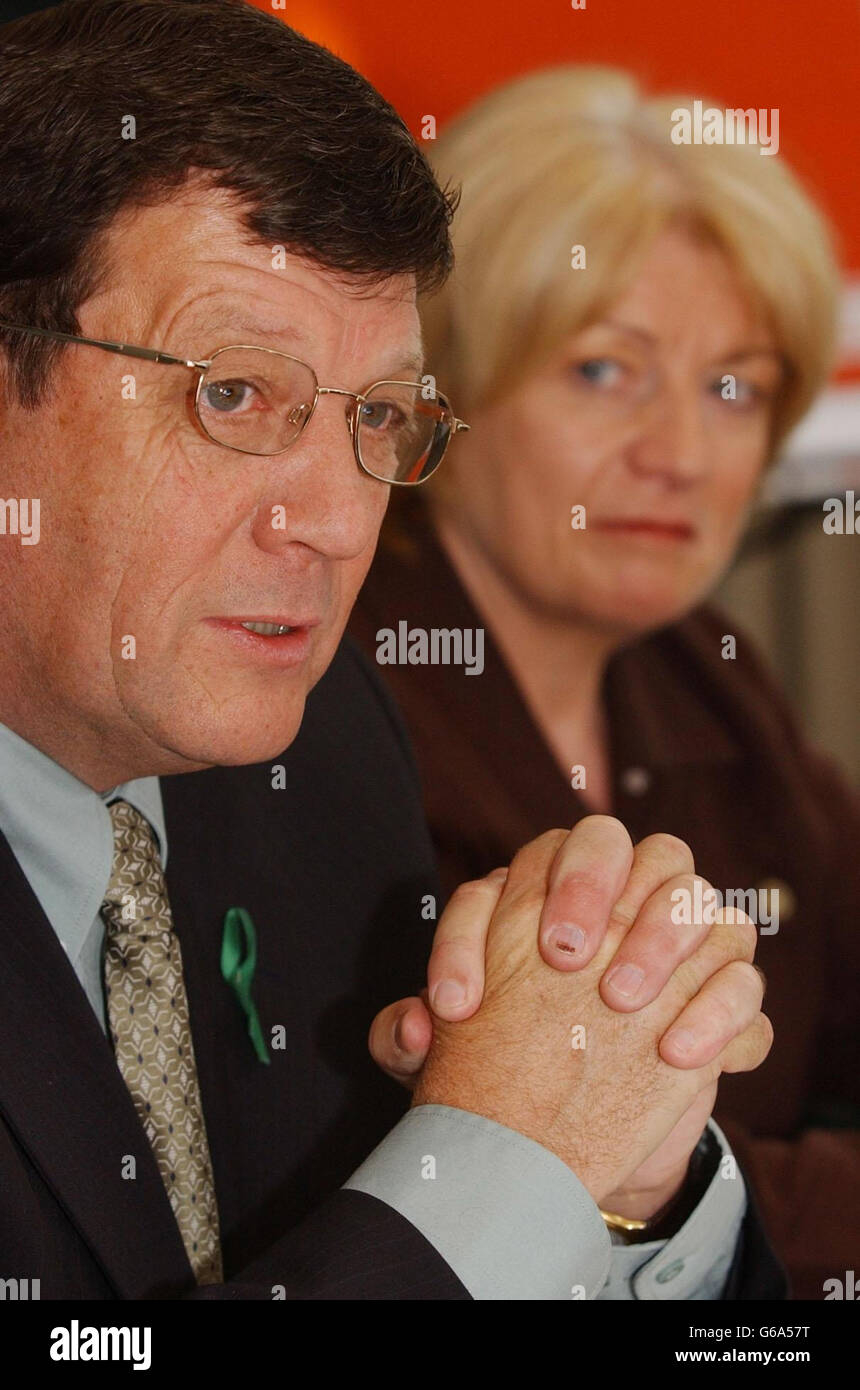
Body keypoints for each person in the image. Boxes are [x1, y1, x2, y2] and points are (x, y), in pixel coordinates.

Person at [0, 0, 778, 1301]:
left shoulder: (320, 753)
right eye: (234, 394)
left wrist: (629, 1183)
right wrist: (498, 1166)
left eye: (378, 418)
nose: (331, 523)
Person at [348, 66, 860, 1298]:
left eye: (731, 386)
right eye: (600, 371)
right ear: (444, 385)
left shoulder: (703, 679)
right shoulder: (317, 683)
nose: (680, 455)